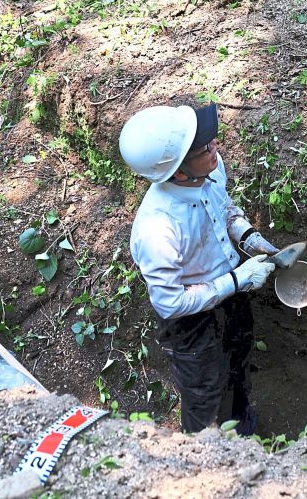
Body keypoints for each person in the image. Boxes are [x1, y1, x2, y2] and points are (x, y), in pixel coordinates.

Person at [120, 102, 283, 435]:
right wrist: (237, 279)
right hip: (190, 319)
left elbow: (225, 208)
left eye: (210, 141)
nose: (215, 148)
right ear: (178, 171)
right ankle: (203, 452)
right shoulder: (158, 229)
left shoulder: (209, 168)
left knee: (238, 360)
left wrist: (248, 237)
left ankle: (242, 430)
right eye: (204, 148)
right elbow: (170, 302)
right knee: (203, 390)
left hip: (232, 291)